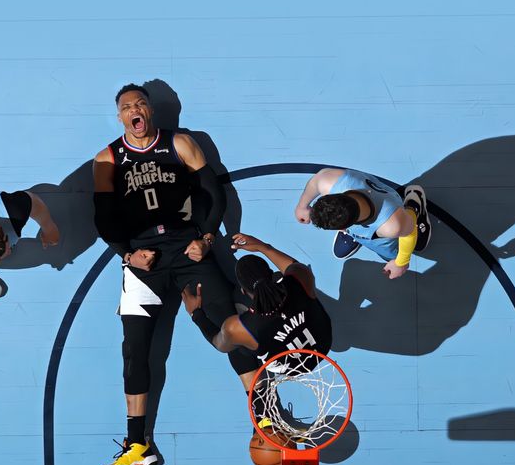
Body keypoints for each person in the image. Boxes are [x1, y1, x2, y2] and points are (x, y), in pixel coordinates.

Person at [93, 83, 259, 465]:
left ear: (151, 112)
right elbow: (103, 218)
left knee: (230, 327)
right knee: (135, 348)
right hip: (142, 262)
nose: (135, 110)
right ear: (119, 117)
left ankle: (268, 421)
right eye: (126, 107)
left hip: (187, 251)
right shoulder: (107, 159)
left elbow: (213, 194)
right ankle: (138, 446)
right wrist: (127, 253)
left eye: (140, 104)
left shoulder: (180, 143)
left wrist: (205, 238)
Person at [183, 232, 332, 446]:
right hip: (321, 345)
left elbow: (219, 343)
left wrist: (196, 314)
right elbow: (292, 266)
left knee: (234, 343)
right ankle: (265, 417)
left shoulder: (241, 326)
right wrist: (263, 247)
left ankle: (262, 416)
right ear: (273, 276)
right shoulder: (299, 279)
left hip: (286, 365)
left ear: (243, 290)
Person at [294, 166, 430, 278]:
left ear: (347, 226)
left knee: (393, 252)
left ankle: (414, 204)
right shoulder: (329, 181)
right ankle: (356, 237)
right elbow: (317, 180)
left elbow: (409, 231)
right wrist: (302, 206)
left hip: (397, 222)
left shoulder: (390, 226)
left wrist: (401, 263)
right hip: (370, 213)